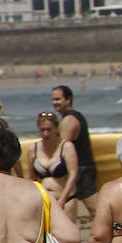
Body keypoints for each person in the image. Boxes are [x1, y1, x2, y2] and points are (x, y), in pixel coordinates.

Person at [51, 85, 97, 217]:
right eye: (53, 99)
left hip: (81, 170)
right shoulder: (74, 116)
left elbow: (60, 150)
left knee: (95, 210)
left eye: (58, 99)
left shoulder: (69, 120)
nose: (55, 102)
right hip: (82, 168)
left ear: (68, 99)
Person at [28, 111, 79, 224]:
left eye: (49, 130)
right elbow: (32, 178)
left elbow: (73, 174)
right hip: (44, 201)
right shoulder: (33, 149)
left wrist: (62, 199)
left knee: (67, 238)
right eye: (42, 130)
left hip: (65, 200)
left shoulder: (66, 147)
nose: (46, 134)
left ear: (56, 129)